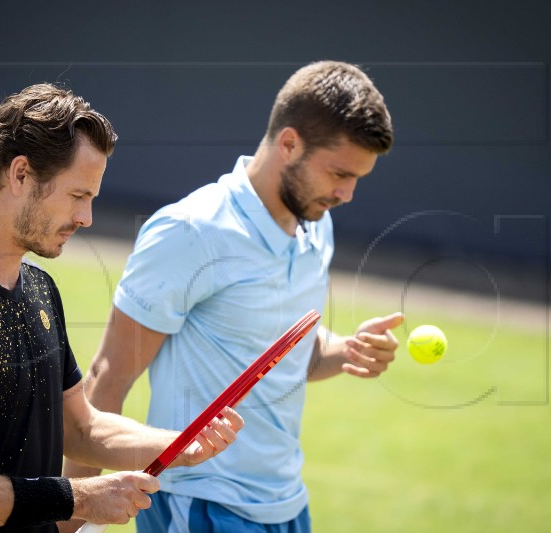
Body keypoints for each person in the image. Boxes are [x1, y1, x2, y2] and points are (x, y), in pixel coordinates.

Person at [0, 83, 244, 533]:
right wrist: (80, 498)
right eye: (78, 196)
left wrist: (181, 445)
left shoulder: (39, 289)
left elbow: (81, 430)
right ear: (20, 175)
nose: (87, 218)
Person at [61, 61, 403, 532]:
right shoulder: (190, 231)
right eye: (339, 173)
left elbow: (283, 354)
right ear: (289, 144)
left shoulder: (317, 226)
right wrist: (74, 519)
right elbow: (108, 377)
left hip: (287, 507)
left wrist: (346, 350)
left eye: (357, 178)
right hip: (197, 505)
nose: (347, 194)